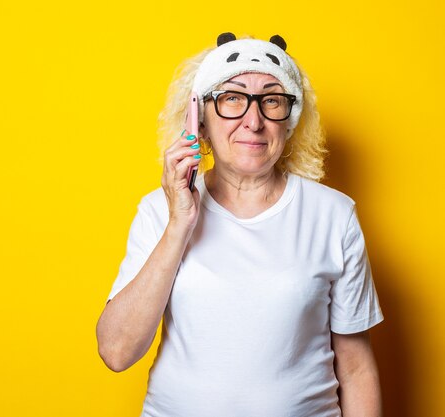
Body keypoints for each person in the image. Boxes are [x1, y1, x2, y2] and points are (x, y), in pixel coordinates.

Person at [96, 32, 384, 417]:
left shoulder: (334, 215)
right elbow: (116, 352)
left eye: (271, 100)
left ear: (290, 119)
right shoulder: (158, 211)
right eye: (233, 98)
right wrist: (180, 224)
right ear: (199, 117)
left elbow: (356, 367)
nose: (254, 121)